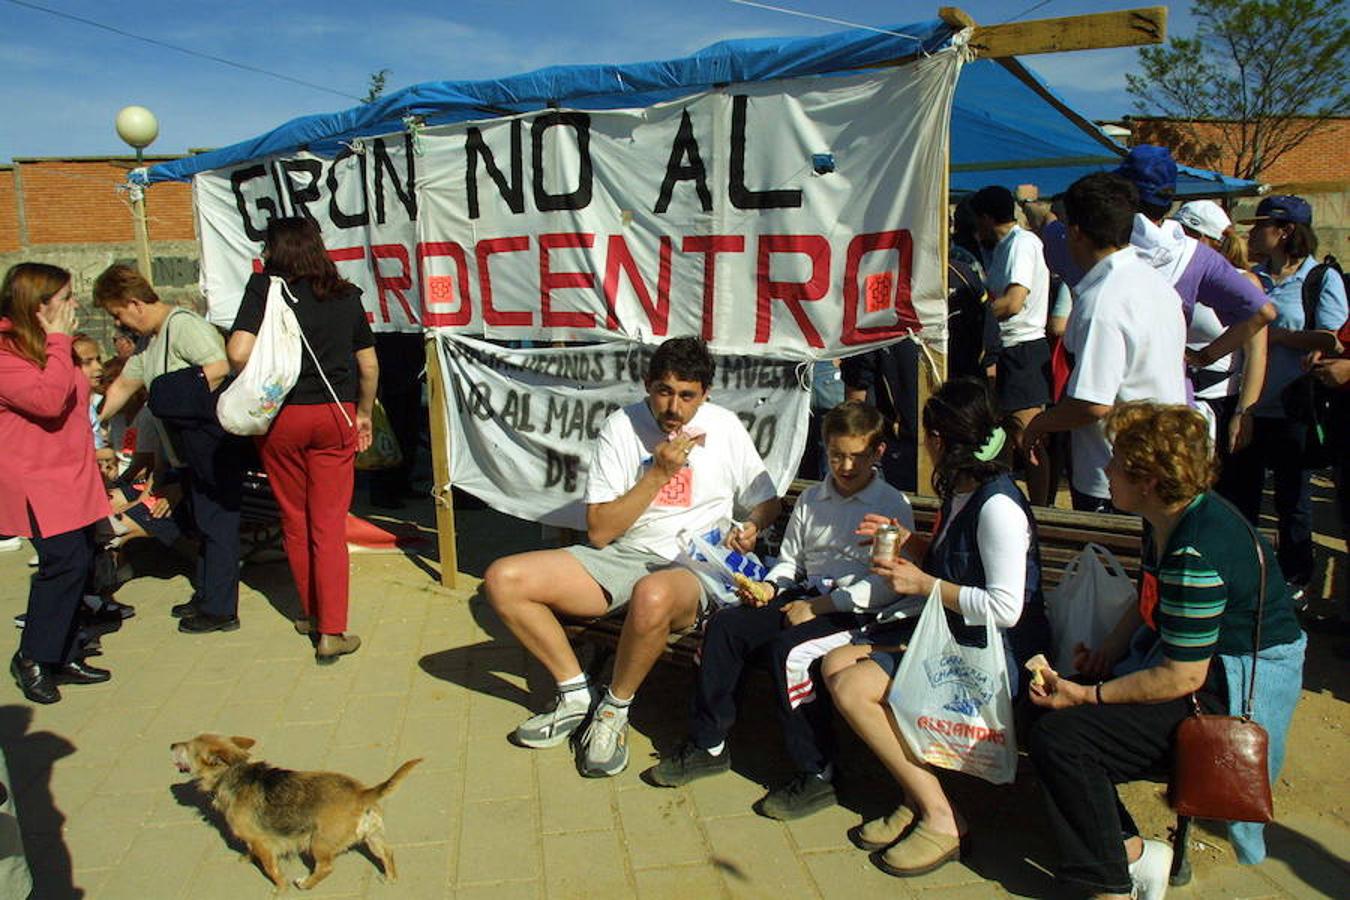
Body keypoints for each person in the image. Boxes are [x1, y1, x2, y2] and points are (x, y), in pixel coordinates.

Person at [1028, 401, 1306, 898]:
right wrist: (1109, 655)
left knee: (1064, 738)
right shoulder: (1174, 518)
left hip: (1228, 690)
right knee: (1042, 714)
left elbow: (1182, 678)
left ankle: (1107, 881)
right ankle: (1132, 853)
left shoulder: (1195, 551)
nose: (1105, 471)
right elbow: (1149, 595)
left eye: (1115, 463)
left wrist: (1088, 695)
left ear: (1149, 482)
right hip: (1196, 667)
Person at [484, 337, 780, 778]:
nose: (674, 407)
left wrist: (752, 526)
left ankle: (613, 710)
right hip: (626, 554)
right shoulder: (622, 426)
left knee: (652, 594)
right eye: (663, 391)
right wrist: (658, 474)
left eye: (687, 395)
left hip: (693, 565)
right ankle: (575, 693)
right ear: (647, 386)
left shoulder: (725, 426)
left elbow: (766, 501)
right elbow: (601, 531)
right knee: (503, 578)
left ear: (706, 394)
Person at [821, 377, 1045, 878]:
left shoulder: (998, 506)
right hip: (953, 636)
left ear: (939, 441)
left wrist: (923, 583)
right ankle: (917, 791)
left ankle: (942, 817)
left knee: (855, 688)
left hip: (995, 654)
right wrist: (912, 543)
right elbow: (958, 569)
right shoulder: (964, 490)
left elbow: (1007, 609)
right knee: (835, 663)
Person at [649, 401, 915, 819]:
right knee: (726, 626)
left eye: (856, 456)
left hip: (857, 611)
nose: (845, 466)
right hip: (807, 597)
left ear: (876, 453)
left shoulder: (890, 504)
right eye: (836, 454)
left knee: (791, 653)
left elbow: (887, 583)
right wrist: (771, 587)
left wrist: (822, 605)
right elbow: (792, 561)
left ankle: (817, 772)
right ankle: (708, 743)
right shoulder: (812, 499)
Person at [227, 217, 379, 663]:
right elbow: (368, 365)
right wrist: (364, 413)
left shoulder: (264, 290)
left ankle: (311, 615)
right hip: (335, 414)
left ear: (273, 251)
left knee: (295, 519)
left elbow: (237, 351)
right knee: (329, 525)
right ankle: (333, 630)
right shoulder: (346, 295)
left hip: (281, 419)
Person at [1021, 173, 1187, 513]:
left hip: (1116, 475)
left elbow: (1092, 403)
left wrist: (1038, 425)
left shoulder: (1103, 301)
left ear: (1077, 232)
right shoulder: (1154, 284)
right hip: (1161, 460)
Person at [94, 264, 240, 634]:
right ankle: (208, 594)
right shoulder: (150, 340)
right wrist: (92, 422)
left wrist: (174, 396)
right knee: (202, 523)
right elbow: (125, 385)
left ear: (133, 303)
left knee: (216, 523)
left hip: (210, 443)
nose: (119, 325)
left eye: (118, 314)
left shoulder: (184, 326)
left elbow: (220, 366)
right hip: (185, 449)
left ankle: (222, 609)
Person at [1225, 195, 1347, 603]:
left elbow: (1333, 337)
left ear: (1286, 231)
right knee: (1242, 497)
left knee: (1293, 502)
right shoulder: (1253, 276)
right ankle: (1246, 577)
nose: (1253, 232)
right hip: (1250, 407)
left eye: (1262, 225)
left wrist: (1274, 335)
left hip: (1294, 408)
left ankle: (1297, 581)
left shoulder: (1320, 280)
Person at [0, 263, 113, 703]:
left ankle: (63, 653)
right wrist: (60, 341)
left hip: (72, 473)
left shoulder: (48, 346)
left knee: (81, 562)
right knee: (61, 565)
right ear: (38, 305)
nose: (74, 305)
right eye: (65, 298)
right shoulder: (8, 353)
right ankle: (32, 656)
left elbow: (76, 397)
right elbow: (48, 401)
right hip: (38, 479)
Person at [1115, 146, 1274, 398]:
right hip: (1173, 397)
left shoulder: (1104, 245)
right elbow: (1262, 312)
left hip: (1118, 395)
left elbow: (1260, 319)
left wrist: (1204, 356)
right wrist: (1203, 357)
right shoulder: (1199, 258)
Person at [1170, 200, 1268, 493]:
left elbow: (1257, 354)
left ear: (1203, 239)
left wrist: (1243, 413)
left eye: (1182, 233)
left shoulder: (1241, 281)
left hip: (1220, 404)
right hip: (1176, 399)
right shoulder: (1172, 275)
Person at [969, 185, 1054, 505]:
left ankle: (1044, 509)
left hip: (1025, 349)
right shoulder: (1004, 247)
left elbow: (1014, 302)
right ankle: (1005, 499)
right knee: (1003, 435)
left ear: (987, 218)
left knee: (1027, 436)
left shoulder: (1023, 244)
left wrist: (978, 316)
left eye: (977, 221)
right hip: (1006, 350)